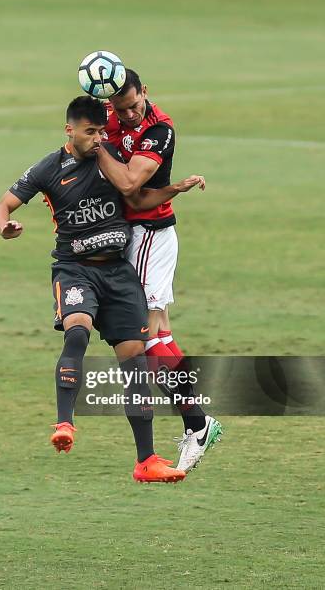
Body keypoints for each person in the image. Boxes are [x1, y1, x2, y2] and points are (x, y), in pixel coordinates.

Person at [0, 96, 201, 483]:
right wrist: (5, 226)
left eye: (102, 131)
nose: (99, 139)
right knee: (77, 330)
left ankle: (146, 462)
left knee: (136, 362)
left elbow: (138, 197)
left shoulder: (111, 162)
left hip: (119, 275)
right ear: (69, 130)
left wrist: (176, 189)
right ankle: (65, 424)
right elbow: (0, 206)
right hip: (75, 271)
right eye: (91, 132)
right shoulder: (48, 169)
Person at [97, 69, 222, 471]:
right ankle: (198, 424)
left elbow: (132, 184)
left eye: (134, 105)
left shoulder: (160, 129)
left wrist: (97, 146)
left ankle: (198, 423)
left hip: (149, 234)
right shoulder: (109, 114)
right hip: (130, 235)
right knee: (161, 335)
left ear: (144, 93)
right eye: (121, 108)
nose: (129, 114)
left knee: (145, 336)